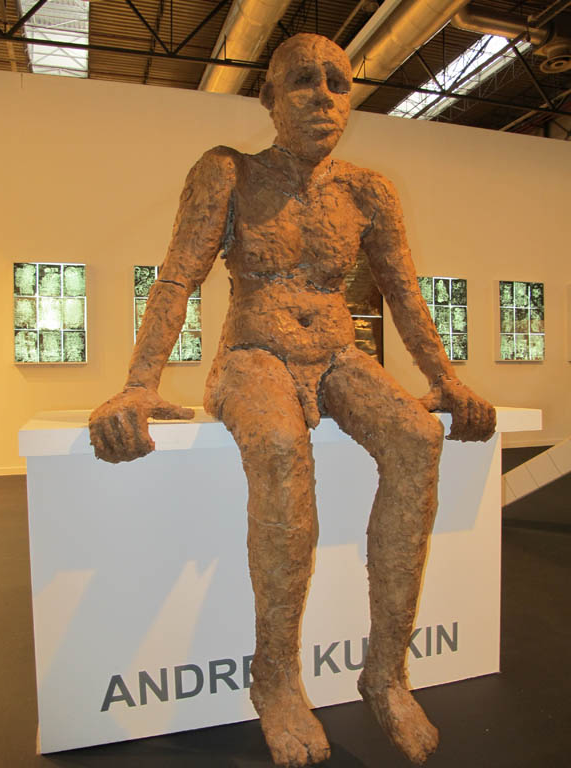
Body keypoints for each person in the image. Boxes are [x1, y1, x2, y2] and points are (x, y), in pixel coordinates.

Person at [89, 33, 495, 767]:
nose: (323, 98)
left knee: (417, 438)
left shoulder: (367, 192)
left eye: (338, 83)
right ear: (269, 97)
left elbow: (405, 295)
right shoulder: (229, 172)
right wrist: (140, 382)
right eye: (303, 81)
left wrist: (446, 378)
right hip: (253, 352)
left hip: (339, 354)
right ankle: (274, 678)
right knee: (281, 449)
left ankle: (385, 674)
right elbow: (178, 277)